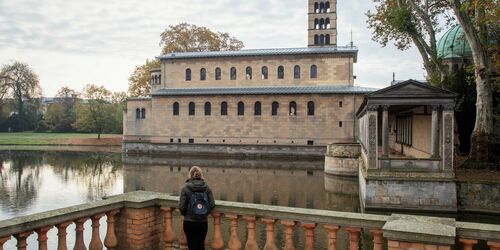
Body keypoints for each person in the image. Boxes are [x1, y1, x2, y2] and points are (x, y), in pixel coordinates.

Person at [179, 166, 215, 250]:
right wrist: (204, 212)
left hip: (189, 222)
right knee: (201, 245)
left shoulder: (185, 188)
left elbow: (181, 207)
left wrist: (187, 214)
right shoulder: (207, 187)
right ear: (201, 175)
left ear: (190, 175)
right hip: (202, 222)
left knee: (192, 246)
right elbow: (212, 204)